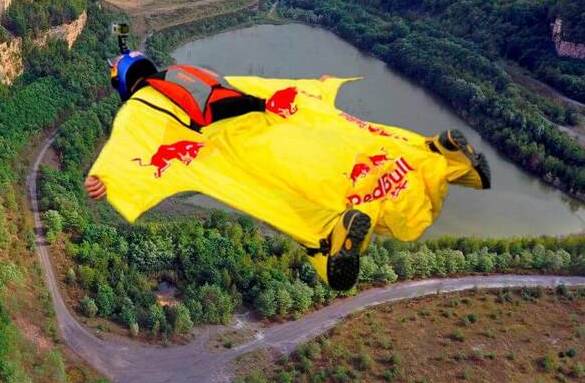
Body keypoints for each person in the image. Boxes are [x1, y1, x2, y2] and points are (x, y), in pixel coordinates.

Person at [84, 50, 490, 291]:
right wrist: (316, 85)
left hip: (235, 146)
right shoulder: (186, 72)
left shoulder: (138, 107)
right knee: (349, 145)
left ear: (123, 85)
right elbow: (252, 85)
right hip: (267, 121)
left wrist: (104, 180)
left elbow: (128, 147)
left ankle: (330, 243)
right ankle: (442, 158)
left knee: (280, 201)